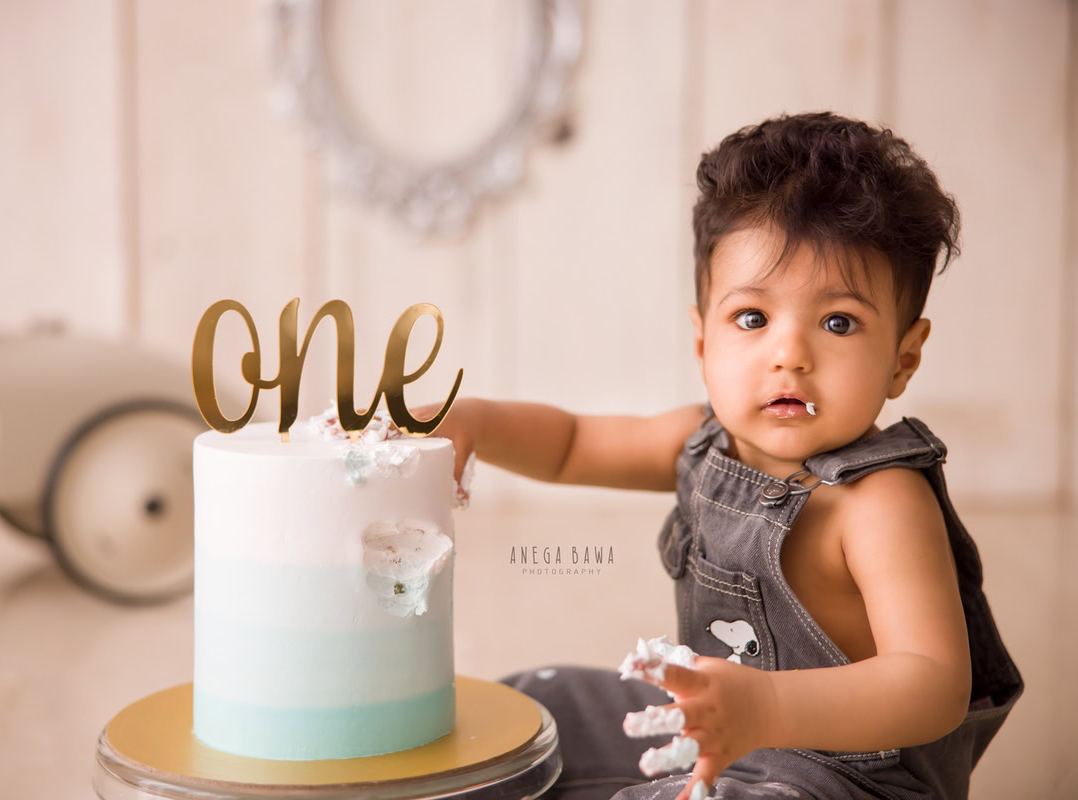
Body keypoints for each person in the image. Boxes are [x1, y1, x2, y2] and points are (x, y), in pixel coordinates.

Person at [417, 112, 1023, 799]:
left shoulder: (881, 501)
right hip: (717, 735)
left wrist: (766, 708)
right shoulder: (702, 441)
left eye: (838, 322)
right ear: (704, 341)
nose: (789, 354)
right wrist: (475, 421)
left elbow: (933, 684)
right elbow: (572, 445)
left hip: (844, 777)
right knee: (529, 714)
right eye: (753, 318)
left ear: (902, 360)